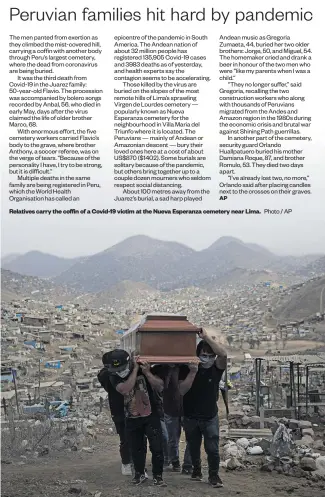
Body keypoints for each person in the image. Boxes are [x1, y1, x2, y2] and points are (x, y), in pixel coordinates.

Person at [108, 349, 167, 487]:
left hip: (150, 415)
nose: (120, 371)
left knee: (157, 447)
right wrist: (135, 370)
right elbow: (125, 389)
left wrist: (146, 372)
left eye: (122, 367)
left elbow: (159, 386)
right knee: (136, 448)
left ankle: (158, 476)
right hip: (131, 417)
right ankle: (139, 474)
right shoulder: (113, 376)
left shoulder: (143, 369)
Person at [179, 329, 227, 488]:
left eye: (210, 355)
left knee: (212, 449)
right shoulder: (187, 369)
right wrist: (193, 372)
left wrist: (206, 337)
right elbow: (181, 390)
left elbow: (223, 355)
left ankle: (214, 475)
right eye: (204, 355)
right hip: (190, 416)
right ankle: (197, 470)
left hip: (209, 417)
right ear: (197, 355)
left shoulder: (216, 369)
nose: (208, 358)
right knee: (193, 447)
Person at [98, 352, 133, 476]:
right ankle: (126, 463)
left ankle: (133, 461)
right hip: (119, 410)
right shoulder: (105, 375)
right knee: (125, 438)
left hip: (133, 408)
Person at [163, 365, 192, 473]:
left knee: (191, 438)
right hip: (171, 409)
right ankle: (175, 462)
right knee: (172, 439)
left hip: (187, 410)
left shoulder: (189, 368)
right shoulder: (164, 369)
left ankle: (188, 464)